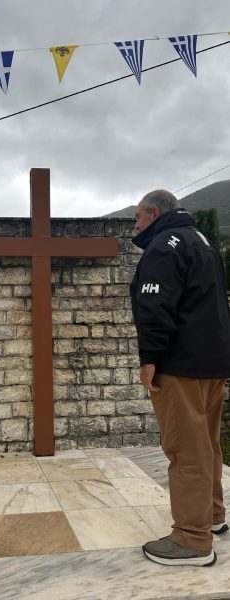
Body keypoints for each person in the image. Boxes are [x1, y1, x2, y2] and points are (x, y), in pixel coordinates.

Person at [130, 189, 230, 567]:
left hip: (180, 364)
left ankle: (191, 539)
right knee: (206, 443)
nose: (135, 225)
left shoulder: (163, 246)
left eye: (138, 217)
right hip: (212, 363)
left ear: (154, 213)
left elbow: (154, 305)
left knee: (185, 449)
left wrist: (149, 357)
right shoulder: (202, 242)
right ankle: (212, 516)